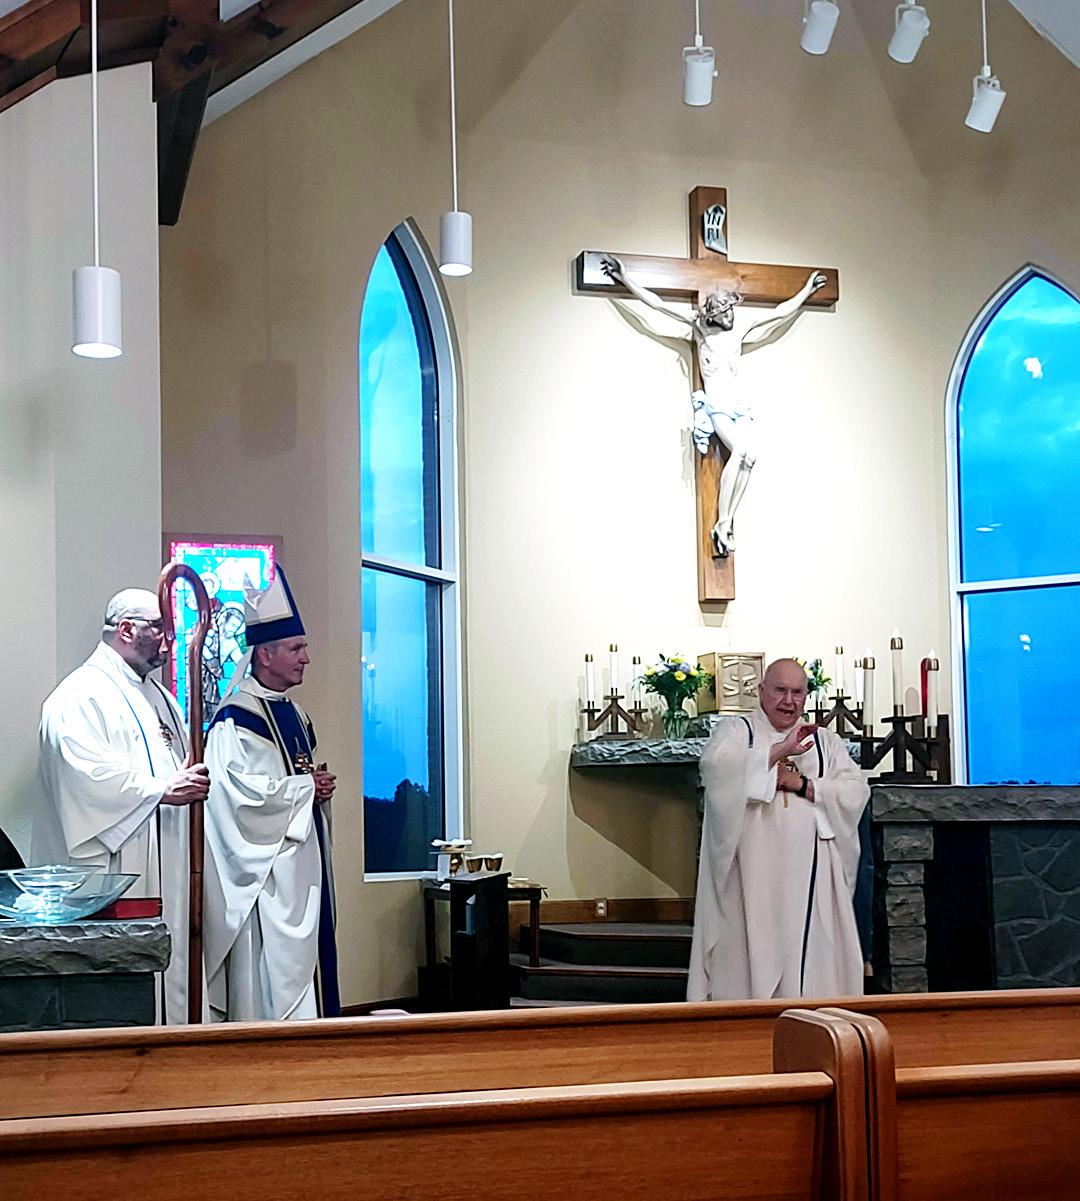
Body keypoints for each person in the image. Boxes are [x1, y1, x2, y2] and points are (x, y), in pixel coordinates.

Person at [34, 588, 210, 1023]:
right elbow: (85, 775)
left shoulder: (161, 698)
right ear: (127, 629)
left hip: (168, 858)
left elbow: (179, 766)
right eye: (160, 629)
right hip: (121, 864)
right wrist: (160, 790)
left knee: (175, 978)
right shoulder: (79, 696)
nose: (169, 641)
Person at [599, 255, 826, 556]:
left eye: (732, 309)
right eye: (725, 311)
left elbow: (778, 314)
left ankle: (726, 522)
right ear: (713, 315)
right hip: (717, 405)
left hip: (738, 405)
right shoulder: (700, 331)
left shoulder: (739, 330)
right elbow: (658, 305)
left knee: (751, 457)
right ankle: (722, 522)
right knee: (740, 451)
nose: (731, 316)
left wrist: (806, 291)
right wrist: (626, 279)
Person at [203, 567, 340, 1021]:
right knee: (270, 980)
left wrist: (316, 789)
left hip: (302, 868)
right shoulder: (235, 718)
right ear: (265, 654)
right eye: (296, 648)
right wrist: (304, 789)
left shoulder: (296, 714)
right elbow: (235, 799)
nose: (306, 658)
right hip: (266, 876)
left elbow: (291, 779)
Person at [687, 658, 868, 1001]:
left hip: (812, 873)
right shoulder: (738, 731)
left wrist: (803, 785)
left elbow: (855, 790)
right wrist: (776, 753)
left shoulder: (824, 741)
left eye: (797, 692)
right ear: (761, 691)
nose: (788, 701)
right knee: (749, 945)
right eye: (780, 690)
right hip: (751, 871)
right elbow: (716, 768)